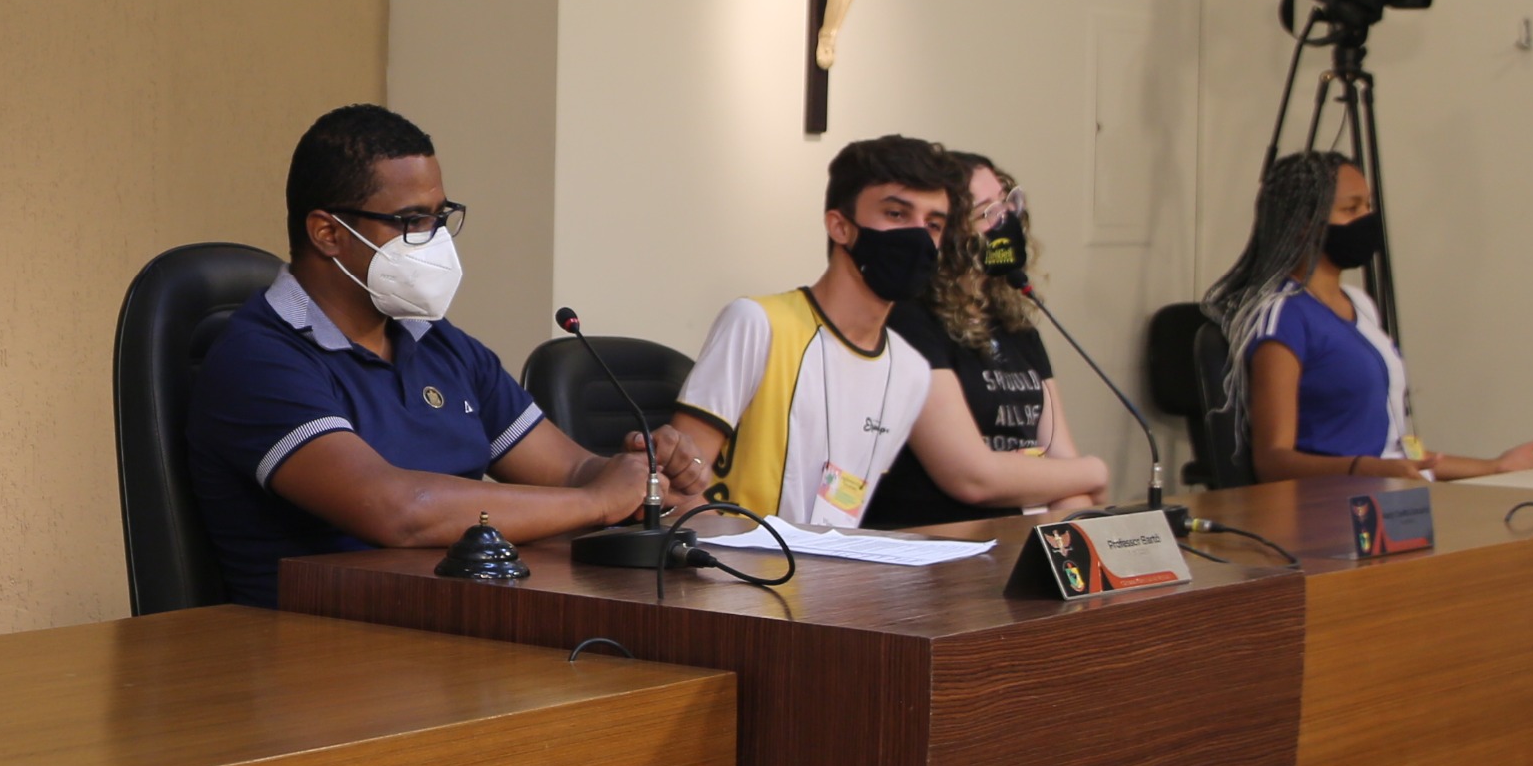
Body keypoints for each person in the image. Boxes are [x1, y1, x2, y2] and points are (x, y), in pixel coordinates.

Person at [188, 103, 707, 605]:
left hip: (452, 618)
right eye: (411, 220)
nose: (434, 239)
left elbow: (572, 472)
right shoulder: (259, 358)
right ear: (328, 234)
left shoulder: (440, 344)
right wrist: (598, 502)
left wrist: (644, 477)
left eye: (439, 217)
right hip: (318, 640)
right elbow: (398, 512)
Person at [670, 135, 1111, 531]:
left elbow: (847, 505)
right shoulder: (757, 323)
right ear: (840, 225)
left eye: (933, 224)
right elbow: (678, 488)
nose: (917, 236)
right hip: (741, 577)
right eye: (896, 214)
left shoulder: (908, 370)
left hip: (834, 577)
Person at [1206, 150, 1533, 483]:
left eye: (1368, 206)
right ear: (1304, 224)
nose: (1366, 218)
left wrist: (1496, 467)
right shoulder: (1282, 314)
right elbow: (1273, 461)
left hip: (1386, 496)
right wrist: (1363, 469)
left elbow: (1395, 454)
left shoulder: (1359, 304)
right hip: (1331, 507)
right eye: (1351, 209)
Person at [864, 153, 1111, 528]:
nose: (1005, 220)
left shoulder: (1015, 326)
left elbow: (1063, 462)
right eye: (986, 213)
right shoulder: (909, 322)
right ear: (947, 234)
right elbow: (972, 478)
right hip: (939, 541)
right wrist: (1095, 470)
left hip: (1021, 533)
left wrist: (1075, 521)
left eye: (1007, 202)